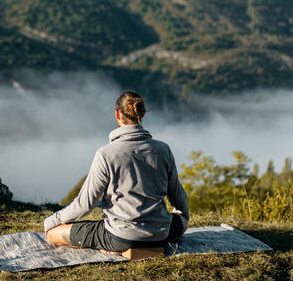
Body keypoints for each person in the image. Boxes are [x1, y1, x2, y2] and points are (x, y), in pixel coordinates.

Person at [44, 91, 190, 253]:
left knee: (52, 233)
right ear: (141, 113)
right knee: (180, 220)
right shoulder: (163, 150)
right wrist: (182, 219)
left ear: (117, 114)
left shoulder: (106, 154)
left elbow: (85, 204)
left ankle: (112, 247)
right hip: (161, 234)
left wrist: (52, 221)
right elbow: (177, 195)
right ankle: (145, 243)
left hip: (121, 237)